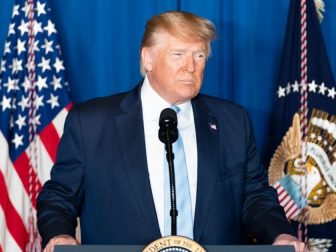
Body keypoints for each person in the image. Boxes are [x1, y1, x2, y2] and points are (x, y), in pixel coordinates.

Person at [37, 11, 307, 252]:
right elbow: (59, 196)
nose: (191, 67)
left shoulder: (233, 122)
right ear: (148, 58)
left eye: (199, 55)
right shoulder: (92, 123)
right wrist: (60, 234)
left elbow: (255, 198)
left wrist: (279, 234)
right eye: (178, 54)